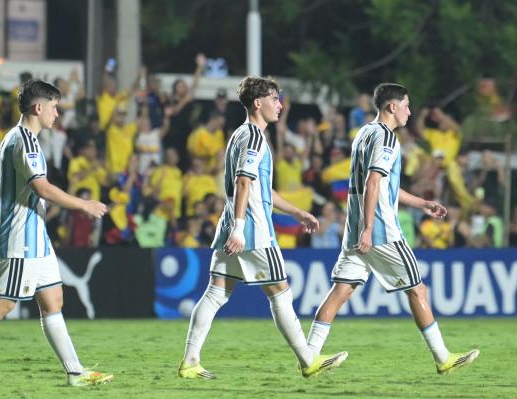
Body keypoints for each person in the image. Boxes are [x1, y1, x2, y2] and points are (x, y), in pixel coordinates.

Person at [0, 79, 113, 386]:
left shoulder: (11, 137)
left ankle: (75, 373)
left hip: (37, 239)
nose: (57, 114)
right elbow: (41, 187)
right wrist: (83, 205)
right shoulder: (26, 141)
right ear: (39, 107)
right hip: (21, 238)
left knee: (53, 301)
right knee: (3, 303)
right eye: (54, 107)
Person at [177, 76, 348, 380]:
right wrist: (242, 228)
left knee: (215, 294)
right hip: (253, 230)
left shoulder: (239, 136)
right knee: (280, 293)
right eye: (275, 98)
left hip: (232, 225)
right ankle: (308, 360)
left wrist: (296, 212)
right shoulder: (255, 137)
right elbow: (243, 182)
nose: (280, 105)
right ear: (258, 103)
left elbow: (260, 188)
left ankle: (190, 361)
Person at [306, 83, 479, 375]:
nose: (410, 112)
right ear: (392, 107)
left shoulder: (364, 133)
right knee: (418, 289)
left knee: (341, 290)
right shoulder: (387, 139)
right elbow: (374, 183)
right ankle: (443, 358)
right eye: (407, 105)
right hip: (381, 231)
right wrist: (370, 229)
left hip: (356, 228)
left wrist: (422, 202)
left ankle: (309, 356)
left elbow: (384, 186)